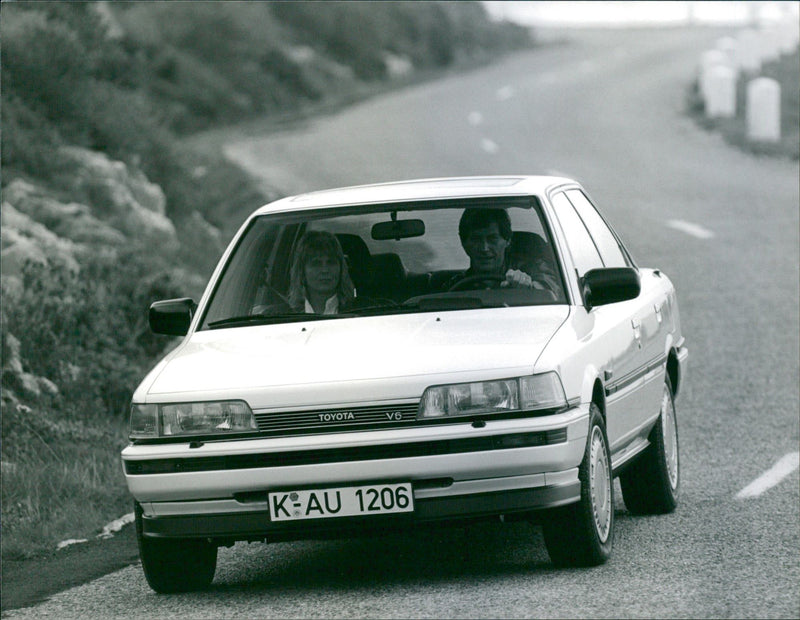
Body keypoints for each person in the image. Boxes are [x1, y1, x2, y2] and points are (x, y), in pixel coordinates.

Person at [449, 208, 559, 297]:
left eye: (492, 239)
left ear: (508, 240)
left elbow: (552, 289)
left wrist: (529, 287)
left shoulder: (533, 268)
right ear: (463, 243)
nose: (484, 248)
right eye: (476, 239)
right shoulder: (454, 286)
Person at [286, 230, 356, 314]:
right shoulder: (280, 316)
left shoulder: (365, 311)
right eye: (316, 264)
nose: (325, 270)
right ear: (302, 271)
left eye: (331, 263)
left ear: (341, 268)